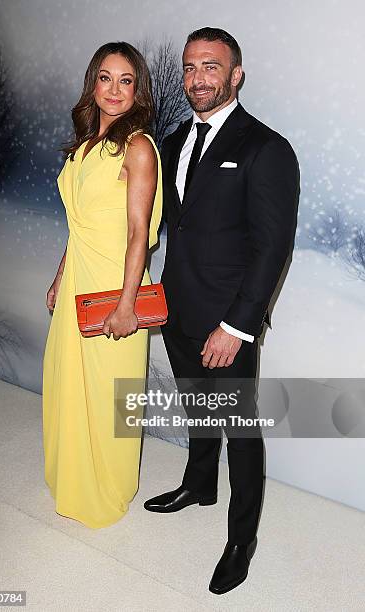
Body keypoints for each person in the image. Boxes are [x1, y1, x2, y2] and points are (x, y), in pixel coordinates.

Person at [144, 27, 300, 594]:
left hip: (227, 320)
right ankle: (198, 485)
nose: (196, 78)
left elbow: (272, 247)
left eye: (210, 67)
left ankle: (242, 539)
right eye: (189, 67)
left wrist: (236, 325)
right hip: (177, 308)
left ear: (236, 75)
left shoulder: (266, 147)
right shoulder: (172, 138)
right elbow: (167, 222)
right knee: (198, 409)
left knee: (239, 427)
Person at [42, 42, 162, 529]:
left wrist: (128, 304)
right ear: (93, 82)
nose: (115, 90)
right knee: (70, 385)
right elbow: (79, 224)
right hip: (78, 281)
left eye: (126, 80)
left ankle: (108, 489)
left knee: (113, 394)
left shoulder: (138, 146)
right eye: (106, 78)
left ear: (138, 90)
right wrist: (59, 275)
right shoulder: (86, 144)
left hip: (116, 286)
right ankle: (73, 475)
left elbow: (139, 233)